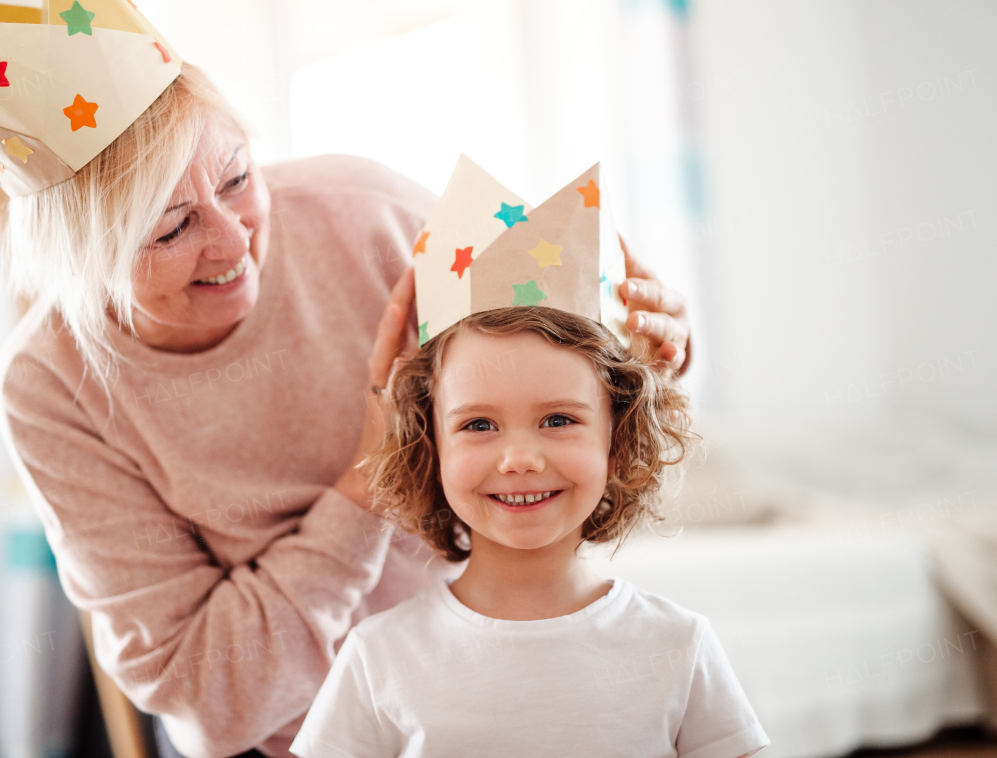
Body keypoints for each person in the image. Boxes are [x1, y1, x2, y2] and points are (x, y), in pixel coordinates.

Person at [0, 62, 692, 758]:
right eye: (173, 229)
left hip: (478, 699)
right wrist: (369, 478)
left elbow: (569, 392)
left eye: (238, 178)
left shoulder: (366, 214)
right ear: (85, 259)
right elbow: (210, 697)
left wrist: (655, 357)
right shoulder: (51, 385)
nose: (236, 244)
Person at [290, 308, 768, 758]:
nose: (520, 458)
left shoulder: (678, 643)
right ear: (432, 451)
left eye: (558, 420)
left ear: (616, 442)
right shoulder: (378, 655)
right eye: (479, 424)